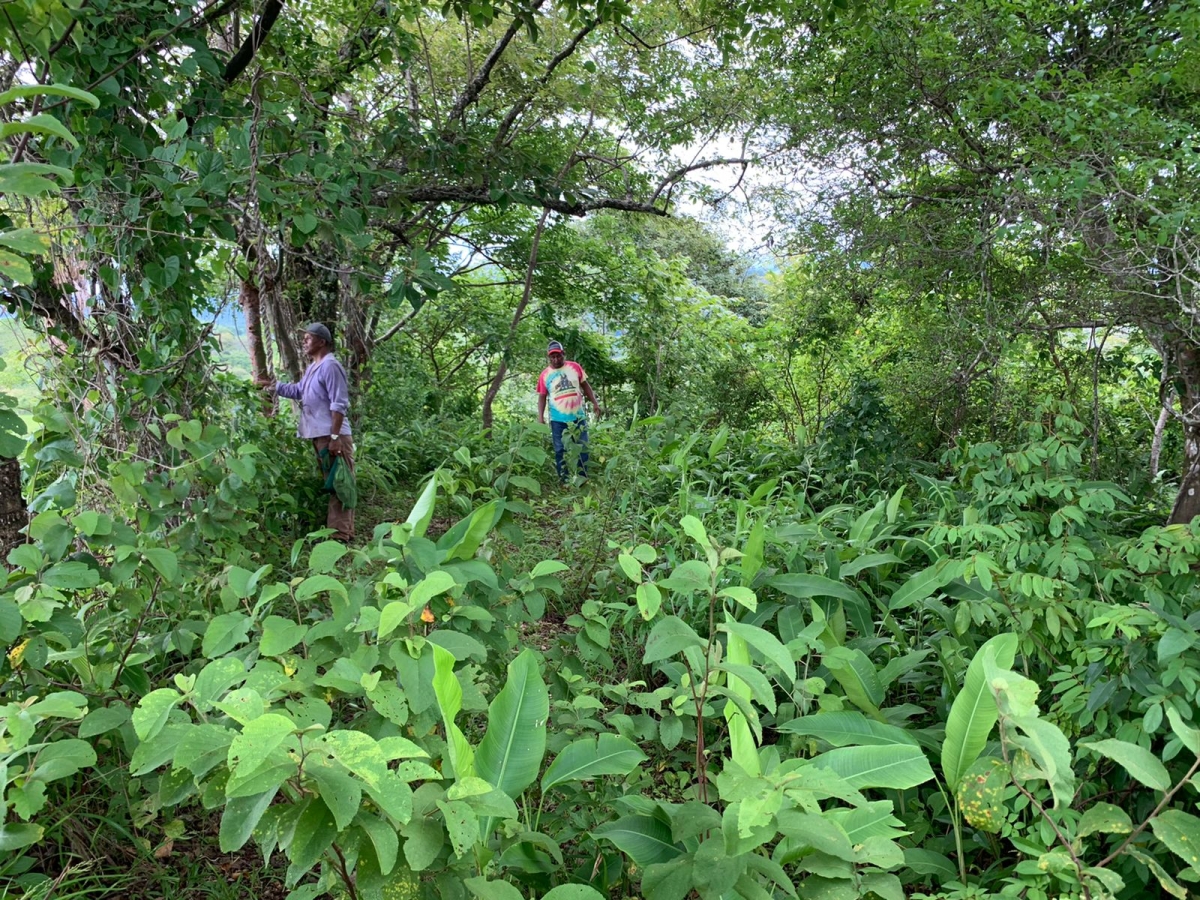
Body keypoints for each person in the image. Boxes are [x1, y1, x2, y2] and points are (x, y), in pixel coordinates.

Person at [262, 323, 355, 542]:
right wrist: (274, 386)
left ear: (322, 342)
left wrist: (335, 438)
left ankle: (340, 535)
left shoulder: (330, 366)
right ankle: (343, 531)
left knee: (340, 483)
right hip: (321, 435)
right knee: (333, 482)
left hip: (333, 435)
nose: (303, 342)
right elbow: (299, 390)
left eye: (308, 338)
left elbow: (339, 404)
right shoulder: (315, 367)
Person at [537, 340, 601, 483]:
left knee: (583, 448)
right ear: (549, 357)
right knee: (560, 450)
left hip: (578, 417)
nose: (556, 359)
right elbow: (542, 397)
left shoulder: (574, 367)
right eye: (552, 357)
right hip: (557, 420)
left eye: (558, 356)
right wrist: (540, 417)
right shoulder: (545, 375)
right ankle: (564, 480)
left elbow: (586, 386)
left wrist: (595, 403)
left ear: (563, 354)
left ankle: (583, 478)